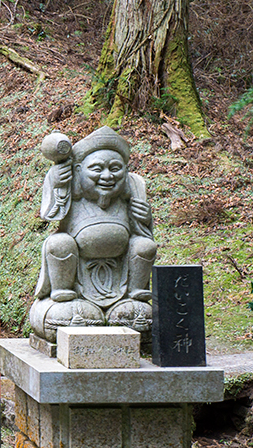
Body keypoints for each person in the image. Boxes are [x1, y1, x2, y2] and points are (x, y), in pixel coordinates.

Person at [29, 126, 157, 342]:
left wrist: (145, 219)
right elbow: (50, 213)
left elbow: (142, 233)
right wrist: (56, 180)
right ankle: (64, 295)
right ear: (79, 170)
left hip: (120, 272)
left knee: (144, 246)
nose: (107, 176)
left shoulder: (131, 191)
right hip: (78, 272)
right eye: (97, 169)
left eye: (115, 168)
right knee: (59, 243)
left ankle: (134, 298)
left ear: (126, 171)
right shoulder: (71, 189)